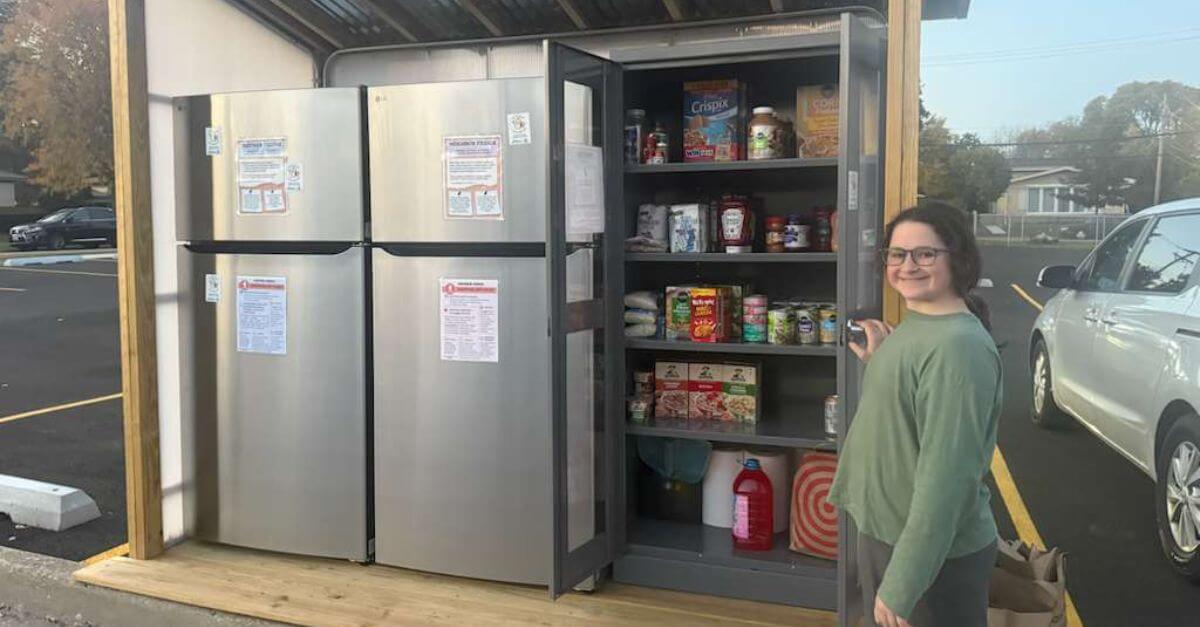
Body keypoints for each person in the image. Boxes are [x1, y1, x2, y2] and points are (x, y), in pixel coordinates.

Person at [828, 200, 1003, 627]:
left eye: (925, 254)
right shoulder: (919, 323)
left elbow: (948, 478)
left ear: (958, 258)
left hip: (928, 555)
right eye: (897, 254)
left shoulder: (958, 349)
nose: (908, 265)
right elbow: (913, 404)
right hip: (889, 533)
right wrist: (881, 361)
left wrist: (905, 580)